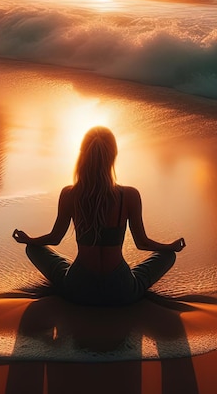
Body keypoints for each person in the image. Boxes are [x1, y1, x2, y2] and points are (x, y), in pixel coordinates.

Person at [12, 126, 185, 306]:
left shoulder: (70, 194)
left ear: (82, 155)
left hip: (78, 288)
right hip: (121, 290)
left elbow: (54, 238)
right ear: (113, 156)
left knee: (33, 249)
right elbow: (142, 243)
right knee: (168, 256)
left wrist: (29, 240)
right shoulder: (129, 195)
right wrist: (169, 246)